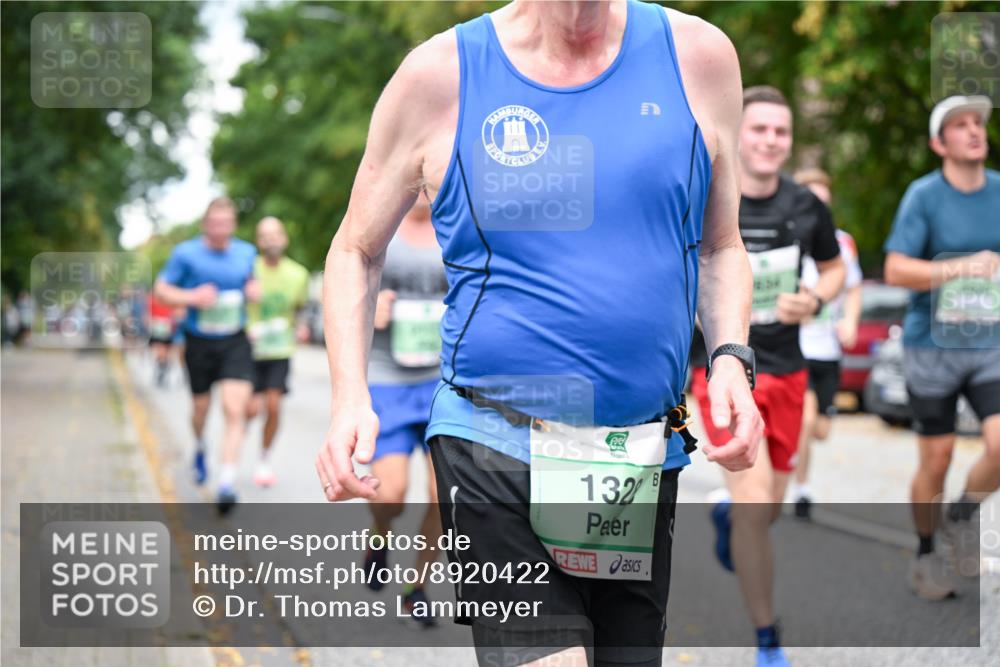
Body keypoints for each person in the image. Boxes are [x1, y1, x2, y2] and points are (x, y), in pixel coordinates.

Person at [316, 1, 763, 665]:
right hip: (492, 440)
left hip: (633, 454)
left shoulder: (699, 57)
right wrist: (350, 396)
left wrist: (729, 357)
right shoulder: (443, 74)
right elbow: (356, 247)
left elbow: (721, 245)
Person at [689, 86, 845, 666]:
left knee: (769, 507)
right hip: (723, 372)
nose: (771, 141)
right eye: (759, 129)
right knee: (756, 508)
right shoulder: (706, 196)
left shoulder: (806, 205)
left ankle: (729, 517)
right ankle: (767, 638)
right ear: (738, 132)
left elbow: (834, 269)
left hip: (788, 372)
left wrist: (815, 298)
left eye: (781, 131)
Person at [883, 95, 1000, 599]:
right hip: (931, 345)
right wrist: (961, 267)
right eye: (960, 124)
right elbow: (895, 270)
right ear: (939, 143)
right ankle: (926, 553)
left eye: (978, 122)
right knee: (938, 458)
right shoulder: (924, 196)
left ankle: (962, 514)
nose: (974, 130)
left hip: (990, 342)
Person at [361, 197, 446, 627]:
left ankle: (416, 588)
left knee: (443, 495)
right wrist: (369, 304)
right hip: (388, 376)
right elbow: (346, 279)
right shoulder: (381, 223)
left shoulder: (458, 223)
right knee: (390, 493)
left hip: (442, 378)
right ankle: (380, 534)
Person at [154, 196, 259, 514]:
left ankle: (226, 482)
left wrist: (253, 290)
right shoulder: (185, 253)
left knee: (234, 409)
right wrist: (191, 296)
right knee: (201, 408)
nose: (220, 228)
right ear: (205, 224)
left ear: (233, 225)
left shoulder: (246, 252)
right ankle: (200, 445)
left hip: (234, 340)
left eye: (225, 223)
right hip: (198, 341)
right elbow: (161, 290)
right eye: (214, 223)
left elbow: (251, 283)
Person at [790, 168, 863, 519]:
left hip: (828, 350)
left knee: (821, 430)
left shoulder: (842, 243)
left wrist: (850, 320)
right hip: (796, 348)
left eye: (825, 201)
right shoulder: (787, 239)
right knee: (805, 422)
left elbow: (854, 287)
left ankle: (785, 455)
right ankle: (801, 489)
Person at [245, 216, 310, 487]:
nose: (270, 239)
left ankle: (264, 459)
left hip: (279, 349)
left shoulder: (298, 274)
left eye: (275, 234)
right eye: (265, 235)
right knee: (249, 409)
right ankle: (236, 440)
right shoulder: (248, 270)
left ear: (284, 238)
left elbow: (300, 309)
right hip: (248, 348)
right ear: (258, 241)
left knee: (273, 407)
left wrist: (302, 326)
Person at [147, 293, 178, 387]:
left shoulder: (170, 297)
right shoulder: (153, 298)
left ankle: (162, 367)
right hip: (158, 324)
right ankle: (161, 367)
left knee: (164, 349)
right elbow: (149, 312)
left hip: (166, 325)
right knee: (160, 349)